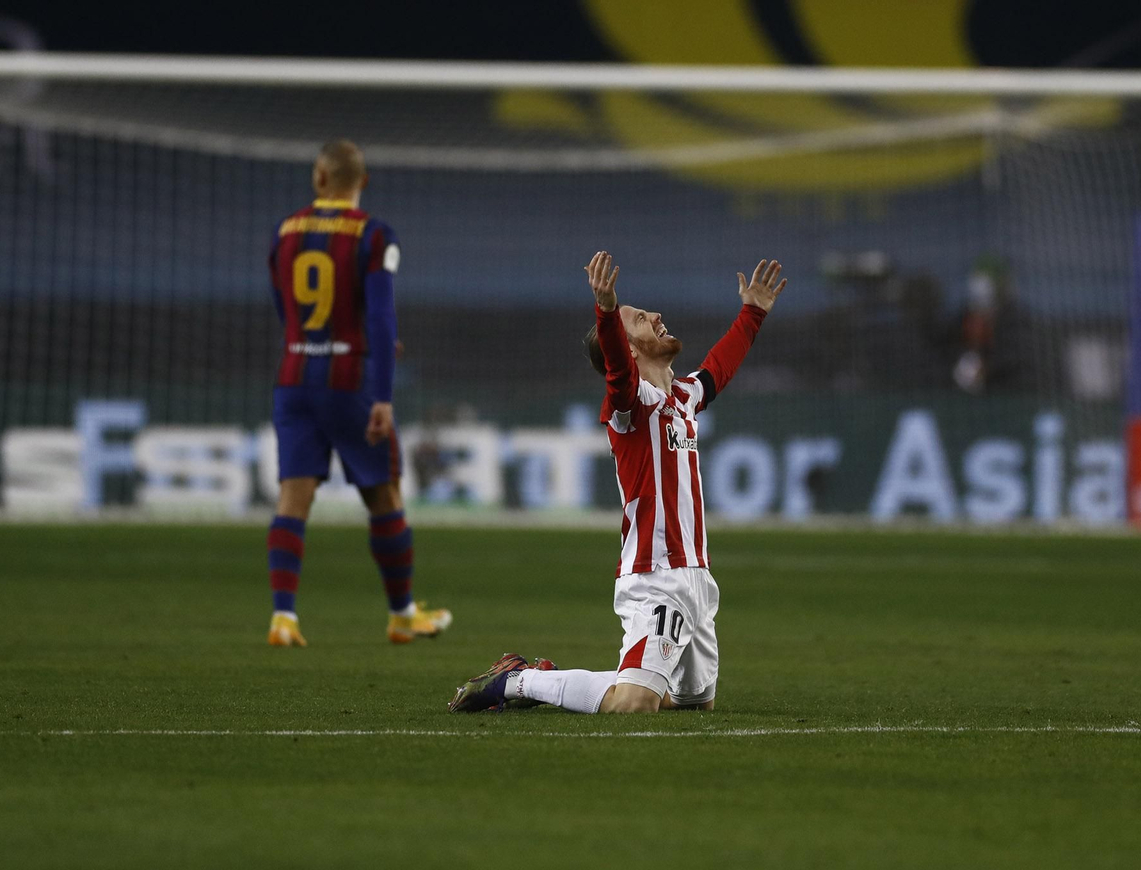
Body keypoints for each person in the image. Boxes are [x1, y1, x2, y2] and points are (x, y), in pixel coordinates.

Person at [447, 252, 785, 713]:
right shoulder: (629, 408)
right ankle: (518, 682)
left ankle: (550, 678)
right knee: (635, 703)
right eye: (642, 319)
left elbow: (719, 367)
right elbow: (619, 374)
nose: (657, 317)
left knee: (690, 704)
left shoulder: (682, 397)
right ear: (627, 349)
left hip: (698, 578)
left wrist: (753, 312)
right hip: (655, 576)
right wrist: (607, 312)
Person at [264, 140, 451, 647]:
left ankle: (284, 617)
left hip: (294, 375)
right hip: (349, 380)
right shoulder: (372, 234)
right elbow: (381, 315)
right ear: (361, 183)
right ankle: (401, 614)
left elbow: (285, 309)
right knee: (384, 493)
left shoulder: (286, 231)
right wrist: (383, 395)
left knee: (292, 497)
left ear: (319, 178)